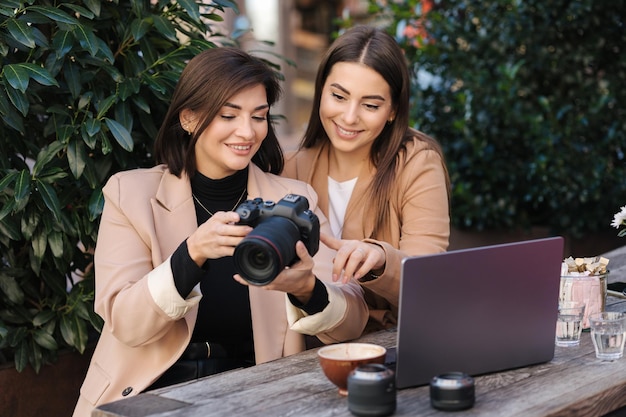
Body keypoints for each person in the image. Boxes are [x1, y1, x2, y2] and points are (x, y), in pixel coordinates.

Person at [73, 47, 368, 417]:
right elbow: (125, 324)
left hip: (257, 392)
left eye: (259, 117)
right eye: (228, 115)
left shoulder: (292, 200)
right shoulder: (130, 194)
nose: (247, 131)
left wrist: (307, 289)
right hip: (149, 393)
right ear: (189, 118)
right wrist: (191, 253)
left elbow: (352, 323)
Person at [282, 25, 450, 332]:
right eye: (338, 96)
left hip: (392, 344)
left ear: (392, 111)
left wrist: (380, 261)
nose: (349, 117)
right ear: (321, 92)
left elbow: (429, 281)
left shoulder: (416, 162)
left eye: (370, 105)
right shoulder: (291, 166)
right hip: (306, 348)